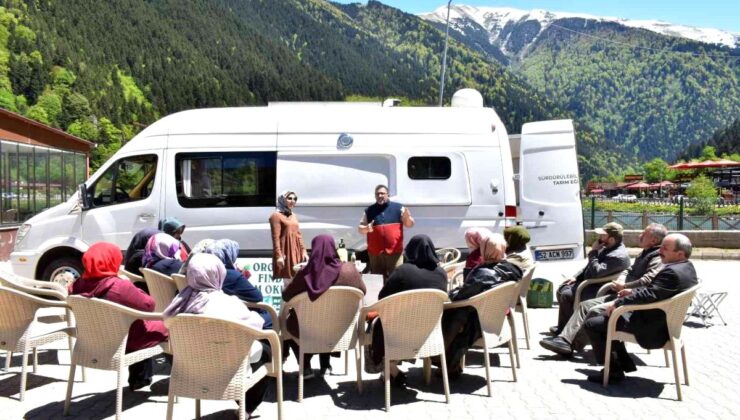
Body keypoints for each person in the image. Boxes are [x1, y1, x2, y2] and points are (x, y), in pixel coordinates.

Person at [163, 253, 270, 415]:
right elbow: (256, 326)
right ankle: (247, 406)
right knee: (267, 351)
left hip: (190, 369)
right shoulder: (229, 303)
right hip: (225, 367)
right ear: (219, 273)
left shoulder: (179, 303)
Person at [583, 233, 698, 384]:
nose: (660, 250)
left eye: (665, 248)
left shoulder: (672, 272)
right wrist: (632, 292)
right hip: (664, 324)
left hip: (651, 329)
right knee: (606, 319)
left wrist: (617, 303)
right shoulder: (687, 267)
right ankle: (621, 364)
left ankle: (613, 371)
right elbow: (656, 292)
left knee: (592, 324)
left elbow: (650, 294)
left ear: (680, 253)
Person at [540, 223, 667, 356]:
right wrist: (621, 280)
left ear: (654, 240)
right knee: (577, 300)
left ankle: (569, 342)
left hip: (628, 299)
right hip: (622, 293)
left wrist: (625, 286)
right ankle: (564, 339)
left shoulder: (656, 257)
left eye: (644, 234)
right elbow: (628, 270)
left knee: (584, 304)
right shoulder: (645, 252)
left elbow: (647, 281)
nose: (640, 235)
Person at [69, 242, 168, 391]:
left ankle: (140, 378)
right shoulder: (119, 286)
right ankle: (183, 378)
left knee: (137, 323)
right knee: (167, 327)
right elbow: (149, 305)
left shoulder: (76, 286)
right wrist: (129, 284)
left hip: (92, 341)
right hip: (125, 341)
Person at [282, 234, 366, 378]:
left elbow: (286, 296)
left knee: (287, 323)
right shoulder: (349, 271)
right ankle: (325, 365)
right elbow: (363, 291)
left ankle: (305, 366)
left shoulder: (305, 274)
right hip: (340, 329)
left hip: (307, 331)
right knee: (330, 320)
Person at [367, 234, 446, 384]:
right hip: (429, 331)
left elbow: (382, 297)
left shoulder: (403, 271)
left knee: (373, 323)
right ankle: (392, 369)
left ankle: (388, 368)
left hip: (397, 331)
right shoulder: (441, 273)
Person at [442, 234, 523, 376]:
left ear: (485, 250)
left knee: (451, 314)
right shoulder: (512, 269)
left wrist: (450, 295)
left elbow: (461, 296)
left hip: (479, 320)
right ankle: (446, 362)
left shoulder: (484, 273)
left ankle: (440, 358)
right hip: (497, 316)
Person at [551, 222, 630, 335]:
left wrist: (593, 252)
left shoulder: (618, 256)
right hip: (590, 283)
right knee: (562, 289)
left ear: (612, 239)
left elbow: (596, 272)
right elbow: (588, 266)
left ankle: (568, 332)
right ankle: (564, 327)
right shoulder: (607, 247)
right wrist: (575, 277)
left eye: (603, 236)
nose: (599, 238)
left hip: (599, 288)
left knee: (567, 295)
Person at [205, 239, 272, 329]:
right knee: (270, 317)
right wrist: (241, 277)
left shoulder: (202, 272)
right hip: (232, 318)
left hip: (212, 316)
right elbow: (257, 297)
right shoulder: (231, 275)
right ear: (228, 255)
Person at [358, 184, 414, 282]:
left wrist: (407, 217)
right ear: (375, 196)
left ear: (388, 195)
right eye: (377, 194)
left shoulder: (399, 208)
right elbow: (360, 228)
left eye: (382, 193)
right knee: (377, 282)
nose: (380, 196)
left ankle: (396, 298)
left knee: (396, 280)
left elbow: (409, 224)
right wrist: (366, 228)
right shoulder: (369, 210)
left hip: (395, 253)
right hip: (375, 254)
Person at [269, 191, 307, 280]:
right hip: (285, 250)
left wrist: (304, 251)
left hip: (296, 250)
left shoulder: (293, 215)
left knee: (296, 278)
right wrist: (279, 256)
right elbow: (276, 238)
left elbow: (298, 235)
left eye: (295, 199)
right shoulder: (276, 216)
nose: (292, 201)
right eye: (289, 198)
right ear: (282, 199)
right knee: (287, 281)